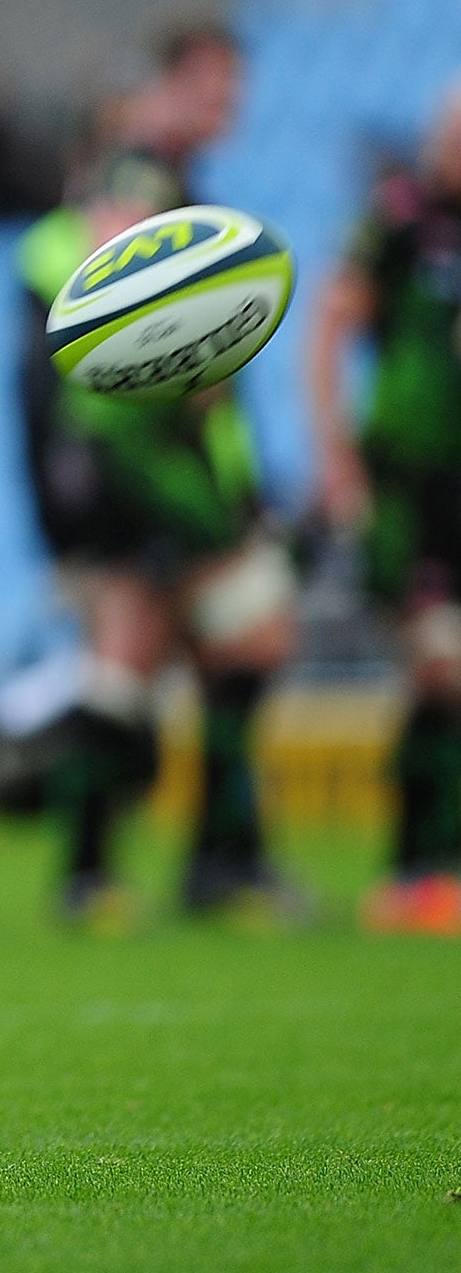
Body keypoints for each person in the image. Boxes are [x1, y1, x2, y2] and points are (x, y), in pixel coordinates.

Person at [15, 21, 302, 927]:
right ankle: (178, 865)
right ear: (166, 87)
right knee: (208, 644)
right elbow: (110, 269)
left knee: (182, 653)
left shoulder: (164, 177)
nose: (228, 108)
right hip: (138, 454)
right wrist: (172, 359)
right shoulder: (140, 172)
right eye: (213, 89)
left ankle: (132, 867)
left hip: (138, 452)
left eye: (234, 91)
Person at [307, 89, 461, 935]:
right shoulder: (401, 219)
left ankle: (425, 868)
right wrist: (335, 457)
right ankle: (411, 871)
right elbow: (329, 325)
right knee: (441, 668)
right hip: (406, 479)